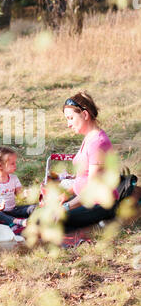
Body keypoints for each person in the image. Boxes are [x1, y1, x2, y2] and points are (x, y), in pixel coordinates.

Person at [59, 92, 119, 231]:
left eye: (70, 118)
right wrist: (66, 194)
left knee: (51, 220)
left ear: (85, 115)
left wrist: (67, 206)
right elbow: (83, 178)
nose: (68, 124)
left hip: (100, 205)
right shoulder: (89, 137)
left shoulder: (98, 143)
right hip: (83, 199)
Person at [0, 146, 36, 228]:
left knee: (33, 207)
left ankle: (31, 221)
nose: (15, 165)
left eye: (15, 162)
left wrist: (25, 194)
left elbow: (19, 195)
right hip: (0, 213)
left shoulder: (14, 179)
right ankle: (16, 222)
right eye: (12, 163)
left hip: (13, 210)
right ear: (0, 166)